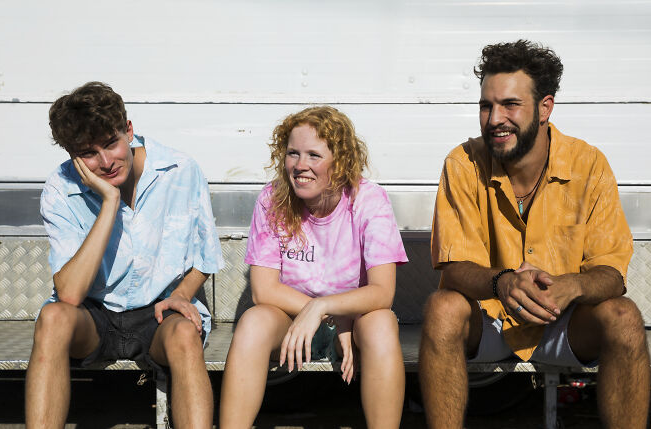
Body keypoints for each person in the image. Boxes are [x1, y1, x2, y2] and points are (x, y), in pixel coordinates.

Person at [419, 40, 651, 428]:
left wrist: (570, 287)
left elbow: (612, 275)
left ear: (545, 107)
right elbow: (454, 269)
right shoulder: (462, 163)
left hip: (566, 321)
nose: (495, 118)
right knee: (442, 309)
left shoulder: (588, 164)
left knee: (624, 318)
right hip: (492, 319)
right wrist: (503, 283)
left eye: (510, 105)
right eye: (485, 105)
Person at [25, 82, 224, 428]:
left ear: (129, 131)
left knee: (185, 334)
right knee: (53, 318)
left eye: (111, 143)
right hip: (95, 314)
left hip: (158, 312)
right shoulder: (61, 187)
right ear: (72, 155)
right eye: (88, 153)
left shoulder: (180, 170)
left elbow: (206, 257)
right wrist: (109, 203)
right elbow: (70, 294)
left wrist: (179, 296)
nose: (105, 162)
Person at [219, 106, 408, 428]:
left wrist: (327, 310)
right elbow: (264, 291)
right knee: (253, 322)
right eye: (293, 153)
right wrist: (323, 314)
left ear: (341, 161)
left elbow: (382, 292)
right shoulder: (273, 198)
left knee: (381, 325)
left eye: (314, 155)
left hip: (354, 321)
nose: (300, 166)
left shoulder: (368, 200)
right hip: (290, 320)